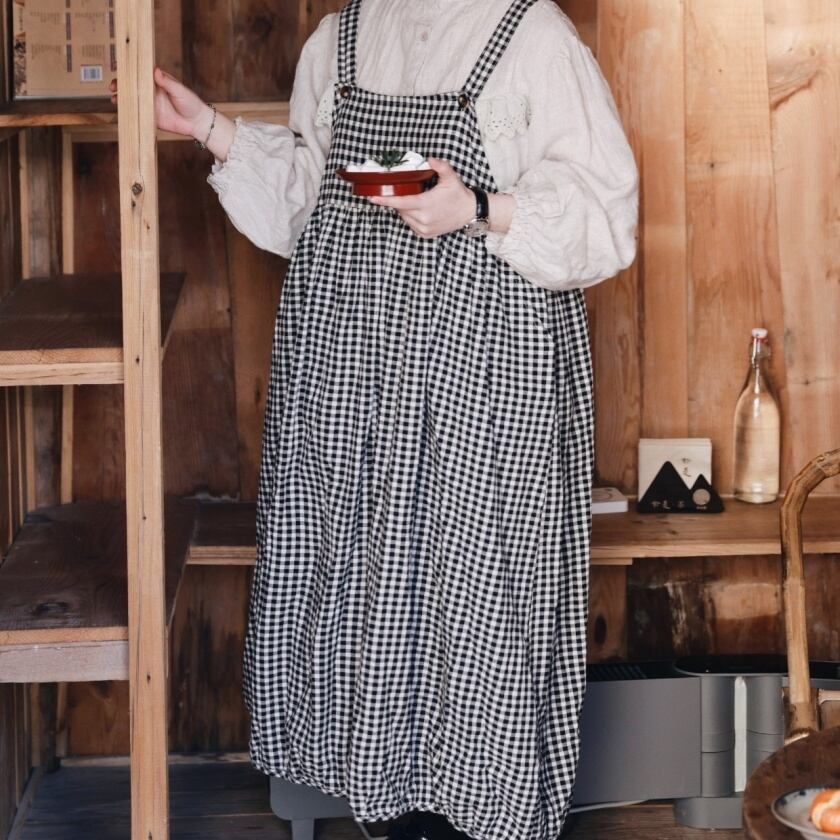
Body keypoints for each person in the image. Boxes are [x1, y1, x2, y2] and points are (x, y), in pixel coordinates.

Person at [111, 1, 637, 838]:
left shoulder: (533, 36)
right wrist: (208, 127)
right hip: (354, 376)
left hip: (480, 374)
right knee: (360, 576)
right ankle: (389, 800)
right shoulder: (342, 37)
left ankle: (476, 804)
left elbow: (607, 216)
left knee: (475, 584)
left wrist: (478, 207)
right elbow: (312, 202)